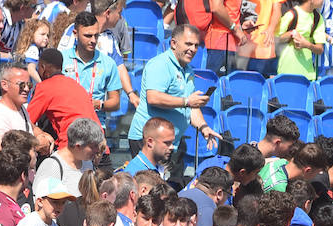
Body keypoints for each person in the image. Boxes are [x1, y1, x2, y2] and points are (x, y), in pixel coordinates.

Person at [126, 25, 222, 173]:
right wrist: (186, 101)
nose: (193, 49)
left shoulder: (188, 70)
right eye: (188, 44)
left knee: (169, 191)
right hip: (149, 140)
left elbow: (192, 108)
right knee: (149, 189)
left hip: (171, 143)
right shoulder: (160, 64)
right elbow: (153, 97)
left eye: (196, 45)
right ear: (173, 43)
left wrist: (204, 127)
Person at [27, 48, 100, 149]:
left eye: (38, 68)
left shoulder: (44, 87)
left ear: (43, 67)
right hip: (98, 145)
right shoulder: (76, 85)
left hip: (73, 147)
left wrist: (40, 133)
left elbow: (26, 120)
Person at [64, 10, 123, 130]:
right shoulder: (62, 59)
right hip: (67, 125)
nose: (93, 40)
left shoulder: (108, 63)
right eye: (88, 36)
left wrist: (99, 104)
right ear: (75, 34)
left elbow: (115, 102)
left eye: (96, 35)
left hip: (96, 126)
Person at [0, 64, 50, 155]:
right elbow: (5, 157)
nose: (26, 89)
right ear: (4, 85)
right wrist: (36, 144)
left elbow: (29, 125)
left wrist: (41, 134)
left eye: (29, 85)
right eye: (21, 85)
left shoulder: (20, 108)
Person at [276, 0, 325, 79]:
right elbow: (275, 39)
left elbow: (320, 49)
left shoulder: (318, 18)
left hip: (308, 75)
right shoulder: (291, 14)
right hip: (286, 71)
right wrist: (290, 34)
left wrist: (307, 45)